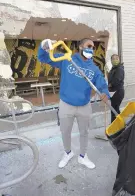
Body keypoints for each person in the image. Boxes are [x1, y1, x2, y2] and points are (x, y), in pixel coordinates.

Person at [38, 38, 110, 169]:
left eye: (93, 47)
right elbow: (44, 58)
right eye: (89, 46)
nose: (91, 49)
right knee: (65, 132)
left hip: (84, 106)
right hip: (66, 105)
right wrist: (44, 46)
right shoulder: (67, 59)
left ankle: (83, 156)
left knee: (84, 132)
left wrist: (105, 93)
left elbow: (101, 83)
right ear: (81, 47)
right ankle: (68, 153)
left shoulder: (94, 68)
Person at [108, 54, 125, 123]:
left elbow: (117, 80)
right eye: (113, 59)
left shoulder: (119, 69)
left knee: (114, 110)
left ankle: (117, 125)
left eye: (117, 58)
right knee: (114, 109)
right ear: (111, 60)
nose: (115, 60)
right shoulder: (113, 68)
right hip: (113, 92)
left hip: (118, 92)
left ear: (119, 60)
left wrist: (110, 84)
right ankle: (116, 124)